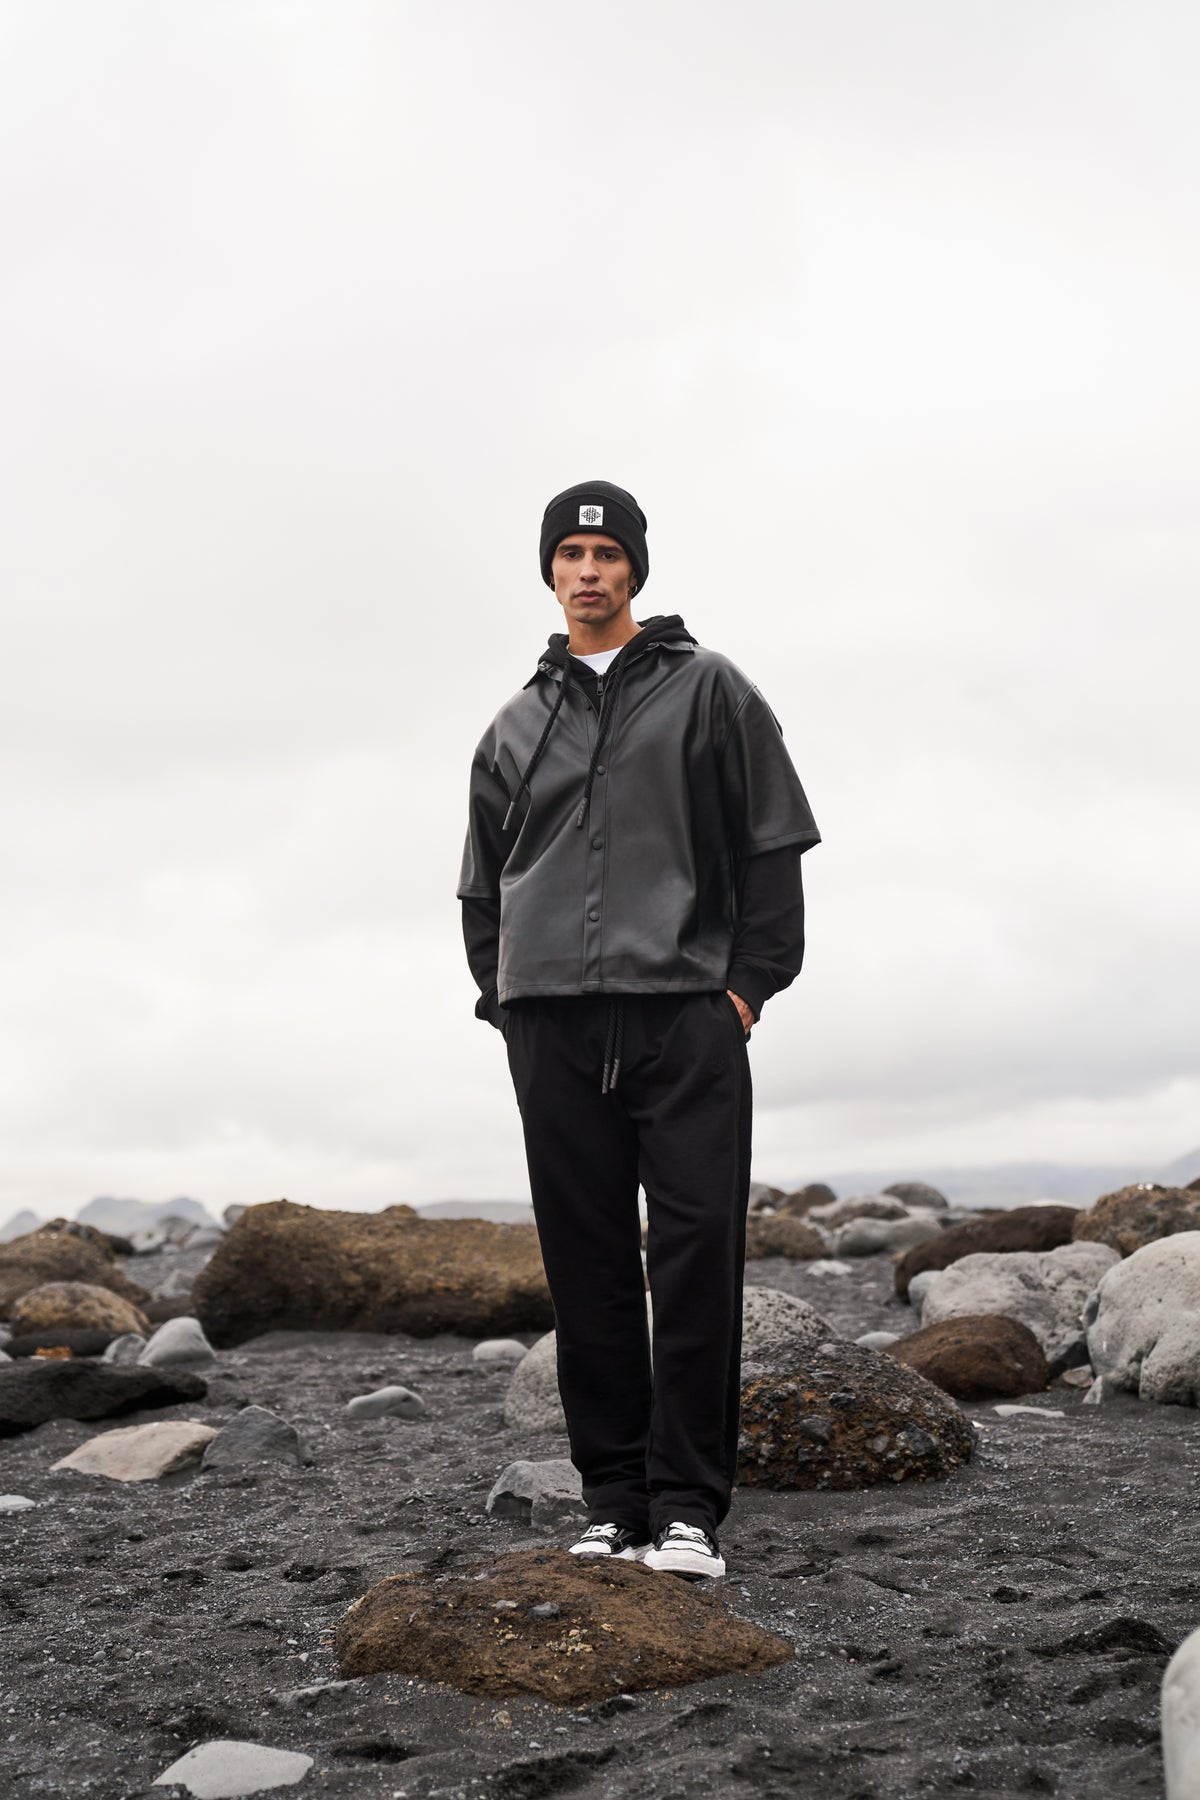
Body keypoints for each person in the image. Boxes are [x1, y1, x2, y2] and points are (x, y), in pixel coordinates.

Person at [458, 480, 819, 1579]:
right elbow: (484, 886)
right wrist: (507, 1002)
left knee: (699, 1259)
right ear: (550, 571)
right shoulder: (515, 724)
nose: (588, 570)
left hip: (686, 1017)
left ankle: (689, 1512)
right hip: (551, 1025)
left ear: (633, 570)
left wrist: (745, 990)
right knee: (589, 1268)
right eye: (570, 554)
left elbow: (772, 844)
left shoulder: (712, 690)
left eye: (606, 553)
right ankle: (613, 1501)